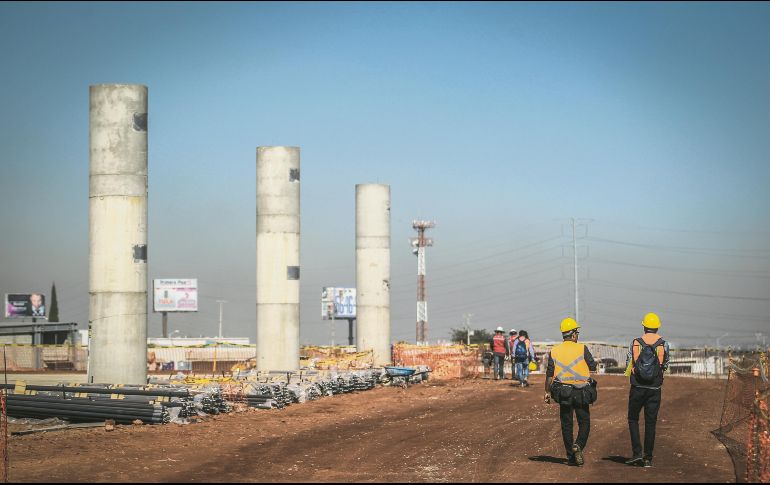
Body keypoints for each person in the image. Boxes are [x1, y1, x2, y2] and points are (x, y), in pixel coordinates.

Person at [544, 317, 597, 467]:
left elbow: (549, 374)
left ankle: (571, 457)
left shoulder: (554, 351)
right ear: (573, 334)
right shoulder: (582, 348)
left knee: (566, 424)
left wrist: (547, 392)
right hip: (581, 392)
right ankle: (578, 445)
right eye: (577, 332)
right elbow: (592, 366)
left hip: (563, 392)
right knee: (584, 422)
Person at [624, 312, 670, 468]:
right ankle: (648, 458)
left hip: (637, 387)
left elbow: (628, 363)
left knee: (633, 419)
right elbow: (665, 365)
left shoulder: (636, 342)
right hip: (654, 388)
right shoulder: (664, 344)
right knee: (651, 422)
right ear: (657, 327)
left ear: (644, 326)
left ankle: (637, 453)